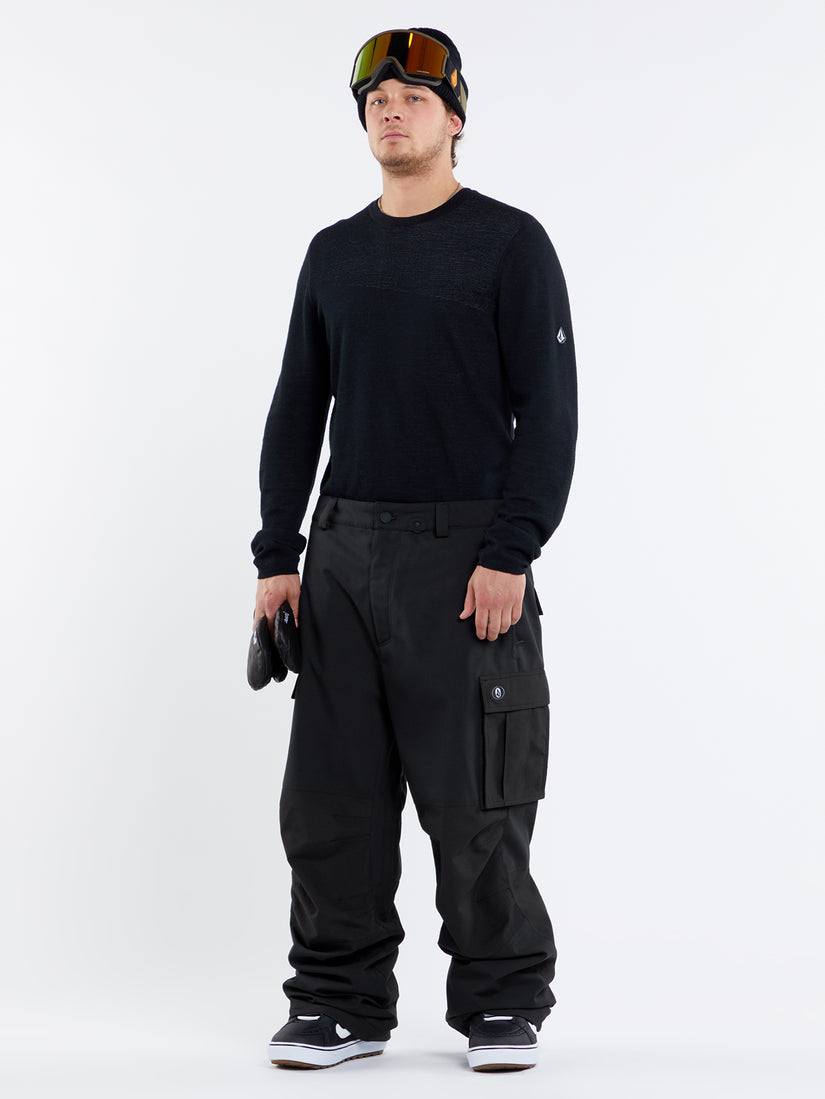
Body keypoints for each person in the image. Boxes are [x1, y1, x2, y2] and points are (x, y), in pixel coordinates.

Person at [251, 27, 577, 1073]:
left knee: (478, 796)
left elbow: (550, 411)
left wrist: (511, 550)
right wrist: (276, 554)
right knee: (330, 800)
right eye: (375, 100)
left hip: (465, 557)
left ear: (455, 117)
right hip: (343, 553)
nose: (390, 109)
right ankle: (338, 1004)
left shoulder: (509, 243)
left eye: (413, 97)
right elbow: (296, 409)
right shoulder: (333, 253)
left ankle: (501, 1002)